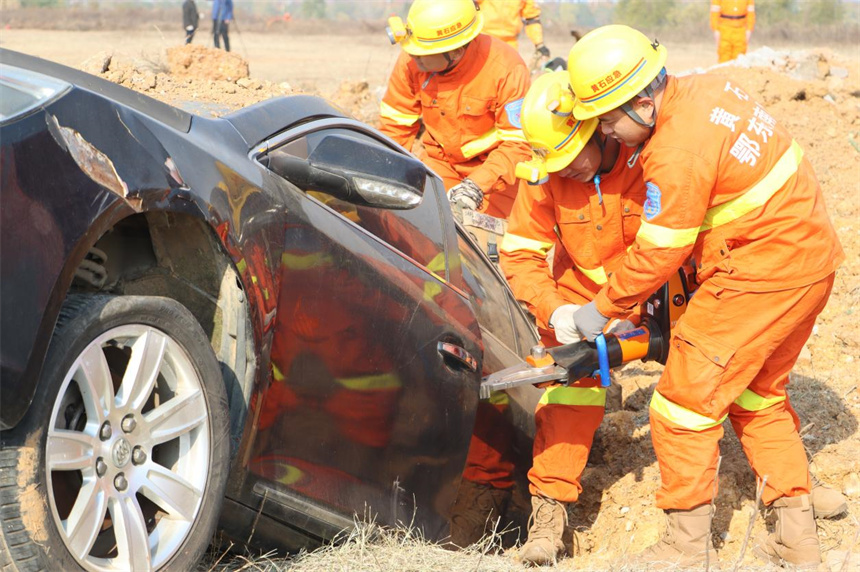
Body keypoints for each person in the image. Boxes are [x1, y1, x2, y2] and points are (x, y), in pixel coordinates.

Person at [566, 25, 845, 568]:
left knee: (679, 405)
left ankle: (684, 549)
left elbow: (658, 252)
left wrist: (598, 310)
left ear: (643, 101)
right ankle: (797, 537)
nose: (605, 132)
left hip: (762, 275)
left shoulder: (675, 152)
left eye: (605, 118)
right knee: (757, 395)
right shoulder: (709, 91)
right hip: (809, 260)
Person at [498, 70, 645, 565]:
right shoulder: (547, 174)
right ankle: (548, 521)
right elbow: (518, 255)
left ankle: (787, 484)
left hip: (656, 295)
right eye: (554, 161)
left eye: (571, 156)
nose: (566, 170)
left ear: (597, 128)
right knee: (565, 394)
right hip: (580, 302)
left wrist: (632, 307)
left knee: (715, 371)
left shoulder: (648, 158)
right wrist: (555, 308)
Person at [380, 0, 532, 258]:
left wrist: (475, 186)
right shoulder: (412, 59)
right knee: (422, 239)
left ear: (457, 51)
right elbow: (396, 125)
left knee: (484, 253)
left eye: (422, 54)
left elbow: (518, 146)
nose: (413, 58)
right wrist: (382, 173)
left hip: (495, 175)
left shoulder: (506, 69)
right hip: (441, 163)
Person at [475, 0, 550, 61]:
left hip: (510, 43)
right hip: (484, 40)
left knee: (511, 73)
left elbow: (531, 18)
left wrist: (539, 44)